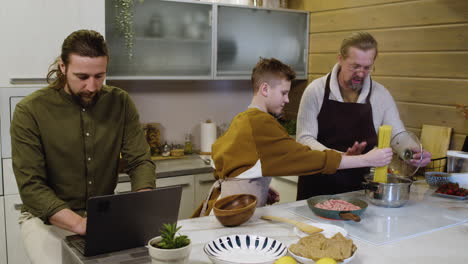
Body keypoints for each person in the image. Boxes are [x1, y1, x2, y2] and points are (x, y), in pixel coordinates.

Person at [11, 30, 156, 264]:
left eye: (99, 76)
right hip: (48, 222)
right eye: (82, 77)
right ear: (62, 67)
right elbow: (31, 186)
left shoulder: (120, 102)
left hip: (103, 217)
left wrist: (142, 203)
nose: (92, 86)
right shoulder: (30, 111)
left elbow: (139, 161)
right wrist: (79, 224)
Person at [192, 58, 392, 217]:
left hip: (228, 207)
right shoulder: (262, 122)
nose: (287, 100)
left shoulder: (243, 118)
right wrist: (366, 159)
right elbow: (308, 157)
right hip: (233, 215)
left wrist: (257, 181)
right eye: (284, 93)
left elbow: (224, 158)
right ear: (264, 89)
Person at [296, 31, 431, 200]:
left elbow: (397, 135)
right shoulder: (315, 91)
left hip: (359, 189)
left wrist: (411, 152)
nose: (361, 73)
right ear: (340, 59)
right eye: (355, 66)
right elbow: (304, 139)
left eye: (367, 67)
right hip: (317, 184)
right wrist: (341, 158)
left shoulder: (381, 94)